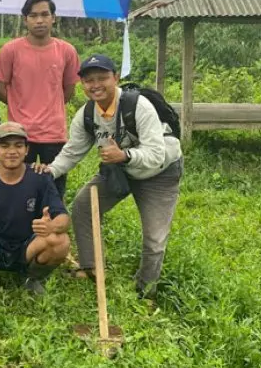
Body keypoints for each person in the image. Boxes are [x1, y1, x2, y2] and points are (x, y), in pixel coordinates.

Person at [37, 54, 184, 298]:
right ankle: (92, 268)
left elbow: (157, 154)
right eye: (89, 80)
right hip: (120, 170)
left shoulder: (139, 106)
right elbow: (73, 151)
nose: (96, 85)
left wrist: (125, 155)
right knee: (83, 205)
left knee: (154, 237)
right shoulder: (86, 115)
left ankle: (145, 290)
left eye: (102, 78)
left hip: (160, 172)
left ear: (115, 78)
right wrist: (50, 171)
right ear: (82, 85)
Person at [0, 122, 70, 295]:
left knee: (61, 241)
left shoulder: (40, 177)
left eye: (18, 146)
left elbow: (63, 218)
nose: (12, 151)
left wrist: (51, 226)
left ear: (26, 150)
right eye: (4, 146)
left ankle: (32, 279)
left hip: (27, 247)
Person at [0, 0, 80, 198]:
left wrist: (50, 105)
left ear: (54, 17)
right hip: (20, 134)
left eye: (44, 14)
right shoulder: (10, 50)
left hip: (54, 134)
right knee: (20, 190)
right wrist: (18, 104)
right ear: (25, 20)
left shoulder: (66, 51)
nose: (39, 20)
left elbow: (68, 89)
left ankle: (54, 228)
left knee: (54, 190)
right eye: (33, 15)